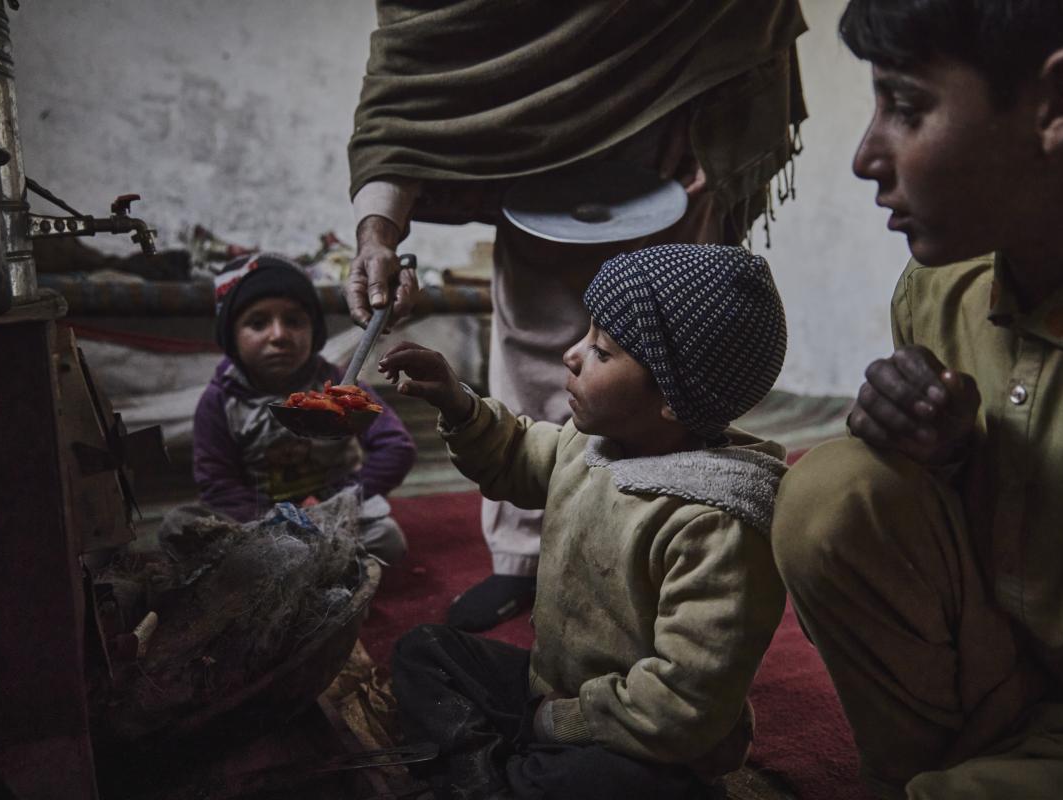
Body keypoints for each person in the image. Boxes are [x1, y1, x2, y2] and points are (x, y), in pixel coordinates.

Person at [345, 1, 808, 631]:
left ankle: (649, 535)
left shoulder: (733, 524)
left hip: (676, 122)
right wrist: (380, 236)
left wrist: (722, 127)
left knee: (667, 347)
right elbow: (413, 71)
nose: (573, 351)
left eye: (596, 347)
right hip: (530, 149)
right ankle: (524, 556)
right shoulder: (459, 24)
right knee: (543, 348)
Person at [770, 2, 1063, 798]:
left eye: (906, 106)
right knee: (835, 489)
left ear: (1062, 103)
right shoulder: (939, 293)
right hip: (1006, 690)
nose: (865, 156)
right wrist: (949, 456)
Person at [379, 245, 789, 799]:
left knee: (599, 782)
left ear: (672, 397)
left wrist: (558, 723)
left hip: (643, 741)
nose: (572, 354)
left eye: (602, 351)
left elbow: (683, 705)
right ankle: (493, 777)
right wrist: (457, 402)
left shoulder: (716, 520)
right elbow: (516, 455)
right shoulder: (594, 444)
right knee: (424, 651)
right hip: (551, 693)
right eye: (586, 335)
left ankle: (488, 774)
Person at [192, 254, 416, 563]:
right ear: (230, 336)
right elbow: (217, 482)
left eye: (294, 321)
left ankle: (311, 560)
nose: (279, 335)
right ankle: (317, 560)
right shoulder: (219, 401)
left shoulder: (343, 387)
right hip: (260, 521)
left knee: (387, 539)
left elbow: (397, 448)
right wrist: (268, 521)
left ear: (315, 331)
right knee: (179, 526)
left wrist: (338, 497)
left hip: (336, 510)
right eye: (258, 323)